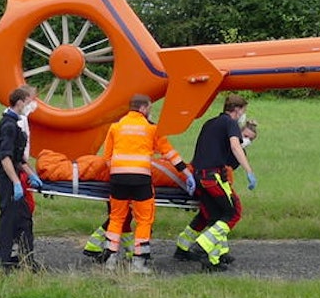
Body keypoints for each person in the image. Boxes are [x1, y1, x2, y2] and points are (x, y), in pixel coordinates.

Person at [93, 94, 182, 274]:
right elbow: (169, 152)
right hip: (141, 179)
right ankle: (138, 263)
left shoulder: (116, 127)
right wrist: (186, 173)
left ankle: (110, 259)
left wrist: (118, 171)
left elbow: (106, 157)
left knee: (117, 218)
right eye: (149, 108)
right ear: (143, 108)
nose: (150, 111)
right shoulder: (151, 128)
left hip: (118, 179)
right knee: (144, 219)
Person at [174, 93, 257, 270]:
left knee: (213, 215)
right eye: (243, 110)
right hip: (212, 176)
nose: (243, 114)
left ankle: (211, 260)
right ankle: (203, 246)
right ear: (237, 110)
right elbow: (234, 147)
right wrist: (249, 171)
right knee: (233, 212)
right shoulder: (230, 123)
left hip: (197, 176)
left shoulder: (210, 123)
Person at [0, 85, 42, 270]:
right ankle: (2, 262)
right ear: (20, 103)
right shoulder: (9, 126)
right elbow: (5, 158)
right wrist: (15, 183)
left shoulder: (16, 123)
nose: (31, 105)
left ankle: (26, 258)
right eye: (29, 102)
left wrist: (31, 175)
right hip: (5, 178)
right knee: (9, 219)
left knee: (24, 218)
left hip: (12, 175)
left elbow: (17, 158)